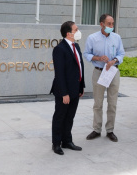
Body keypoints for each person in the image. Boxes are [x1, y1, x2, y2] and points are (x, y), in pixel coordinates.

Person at [84, 14, 125, 142]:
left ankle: (110, 130)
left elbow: (121, 53)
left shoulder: (117, 38)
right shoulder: (92, 38)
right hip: (99, 72)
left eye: (112, 24)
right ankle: (96, 129)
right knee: (98, 103)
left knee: (112, 103)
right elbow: (86, 54)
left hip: (113, 72)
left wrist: (114, 60)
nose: (111, 26)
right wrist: (98, 58)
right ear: (102, 24)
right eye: (109, 24)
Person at [50, 21, 85, 155]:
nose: (78, 31)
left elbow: (79, 68)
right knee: (60, 117)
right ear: (68, 33)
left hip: (75, 89)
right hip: (63, 91)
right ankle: (56, 143)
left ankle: (67, 141)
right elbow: (59, 73)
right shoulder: (60, 49)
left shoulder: (76, 46)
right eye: (76, 30)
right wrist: (64, 93)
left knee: (70, 116)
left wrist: (81, 87)